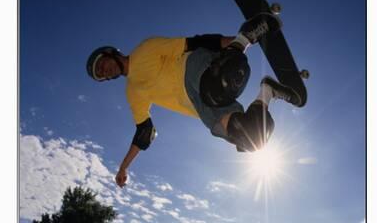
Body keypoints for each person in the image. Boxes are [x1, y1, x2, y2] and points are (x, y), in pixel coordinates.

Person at [86, 12, 300, 188]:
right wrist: (124, 167)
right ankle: (268, 91)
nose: (105, 71)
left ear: (110, 53)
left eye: (102, 65)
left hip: (194, 69)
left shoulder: (145, 49)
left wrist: (235, 43)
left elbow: (194, 42)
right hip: (201, 107)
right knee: (252, 138)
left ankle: (246, 36)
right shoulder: (133, 92)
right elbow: (144, 132)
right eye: (102, 74)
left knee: (219, 86)